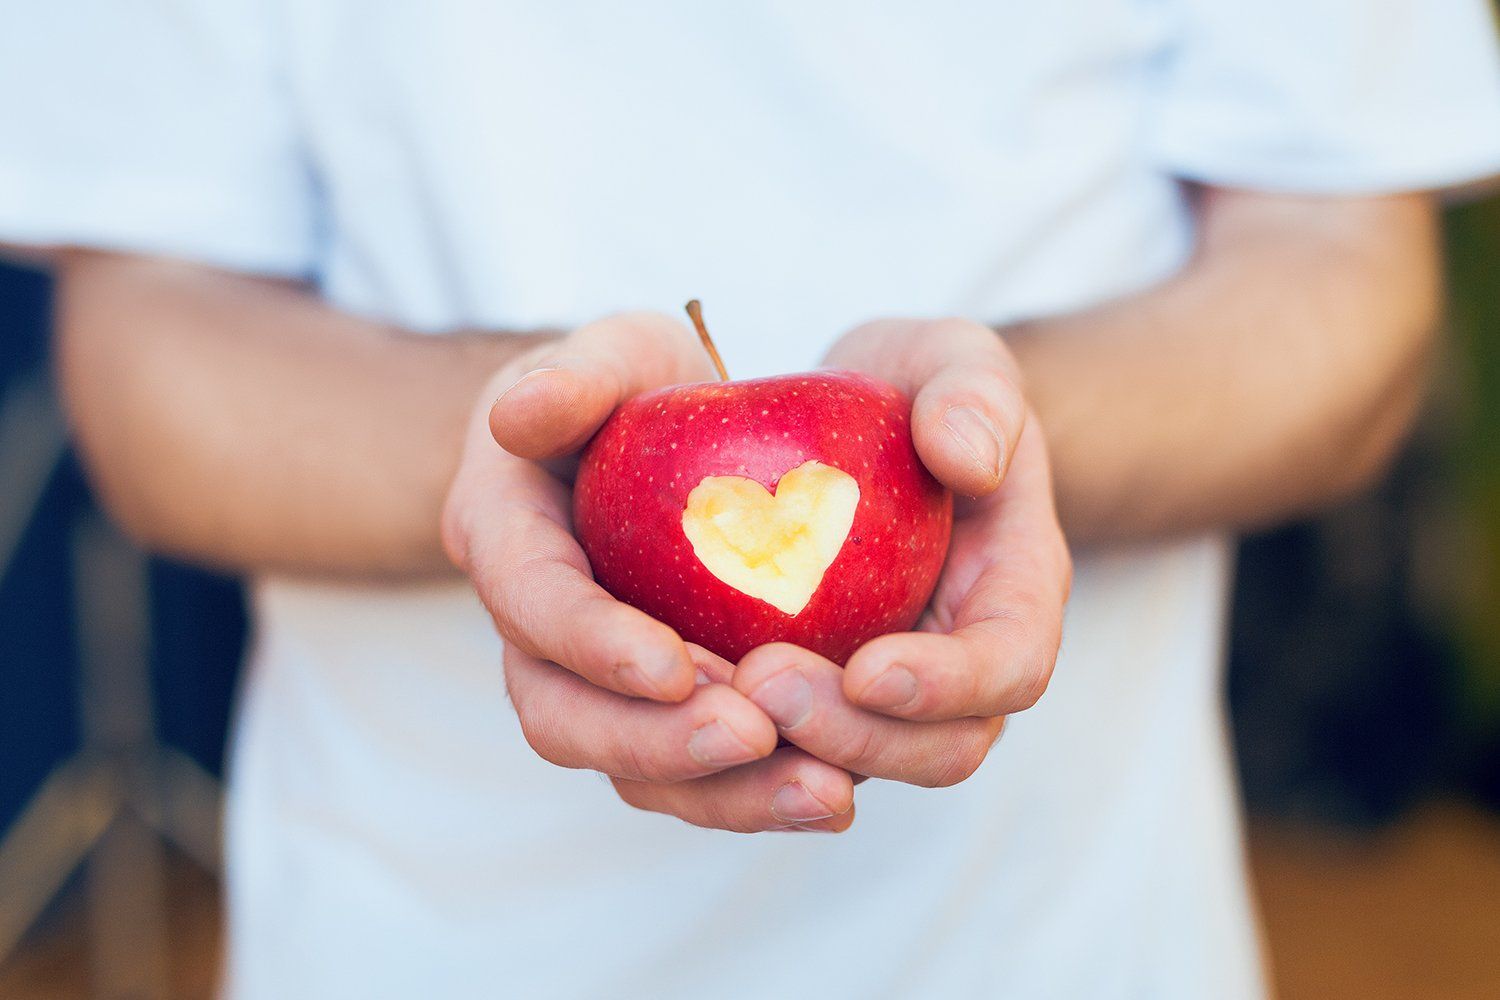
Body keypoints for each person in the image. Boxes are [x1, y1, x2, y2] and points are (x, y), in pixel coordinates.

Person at [4, 1, 1500, 997]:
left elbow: (1338, 271)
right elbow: (152, 344)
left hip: (1069, 939)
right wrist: (538, 464)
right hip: (416, 940)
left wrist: (976, 444)